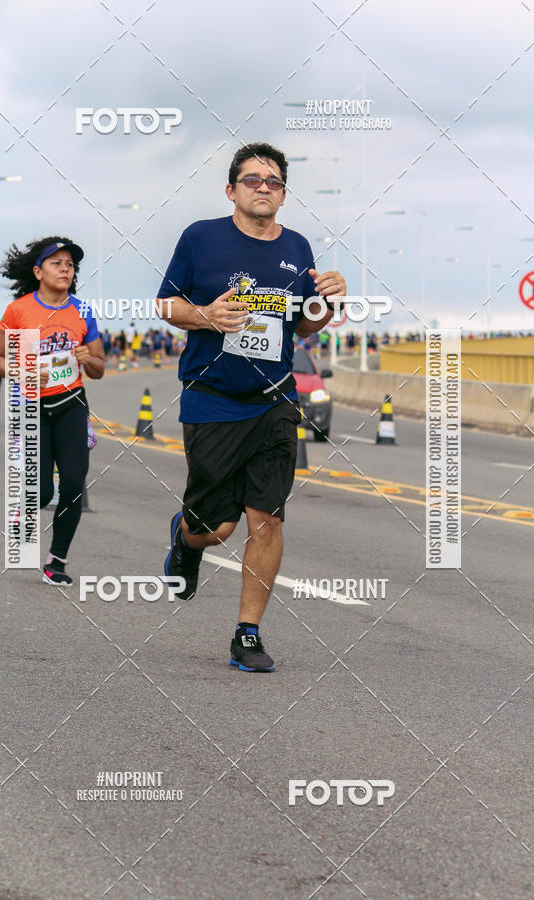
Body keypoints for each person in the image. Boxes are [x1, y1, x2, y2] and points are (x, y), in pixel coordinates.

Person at [158, 142, 346, 672]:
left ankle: (248, 633)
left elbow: (303, 325)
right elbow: (165, 304)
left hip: (275, 400)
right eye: (252, 180)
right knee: (215, 528)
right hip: (212, 398)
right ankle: (186, 539)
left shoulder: (298, 247)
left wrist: (328, 303)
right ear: (231, 189)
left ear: (284, 195)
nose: (264, 187)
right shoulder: (201, 237)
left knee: (267, 520)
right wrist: (205, 314)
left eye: (274, 181)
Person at [0, 237, 105, 584]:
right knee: (41, 492)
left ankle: (57, 561)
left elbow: (100, 368)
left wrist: (89, 358)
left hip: (71, 403)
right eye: (57, 263)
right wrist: (22, 371)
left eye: (70, 264)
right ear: (38, 272)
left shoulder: (82, 312)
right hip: (32, 406)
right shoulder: (19, 310)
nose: (65, 269)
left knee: (72, 483)